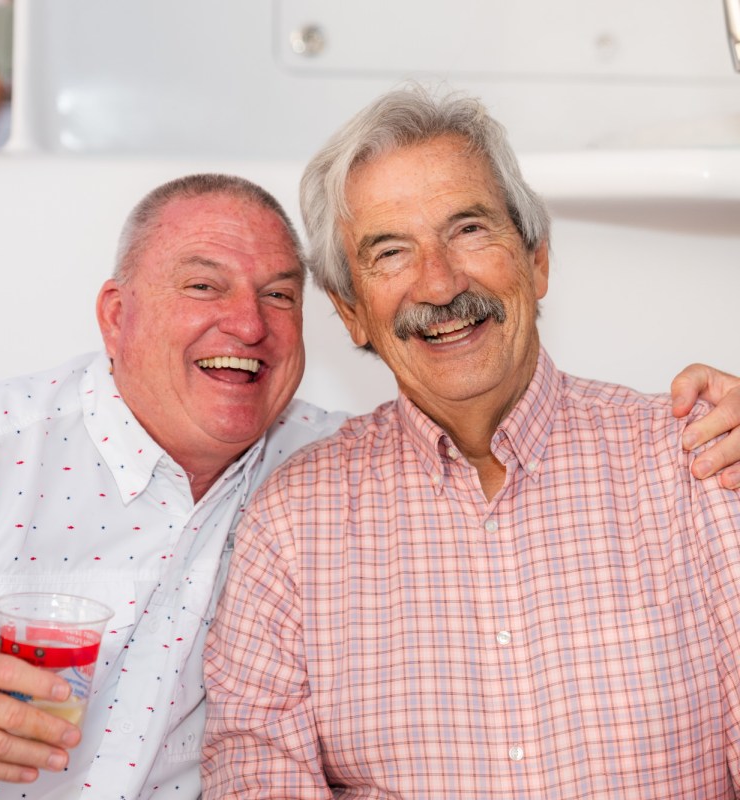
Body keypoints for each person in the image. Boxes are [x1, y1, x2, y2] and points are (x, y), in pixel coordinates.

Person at [201, 87, 740, 799]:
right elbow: (255, 774)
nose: (441, 280)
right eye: (391, 252)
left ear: (537, 259)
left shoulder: (699, 460)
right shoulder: (291, 526)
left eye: (468, 230)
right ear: (352, 312)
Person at [0, 173, 348, 798]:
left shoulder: (336, 465)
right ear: (116, 315)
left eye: (279, 296)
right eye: (204, 286)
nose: (248, 324)